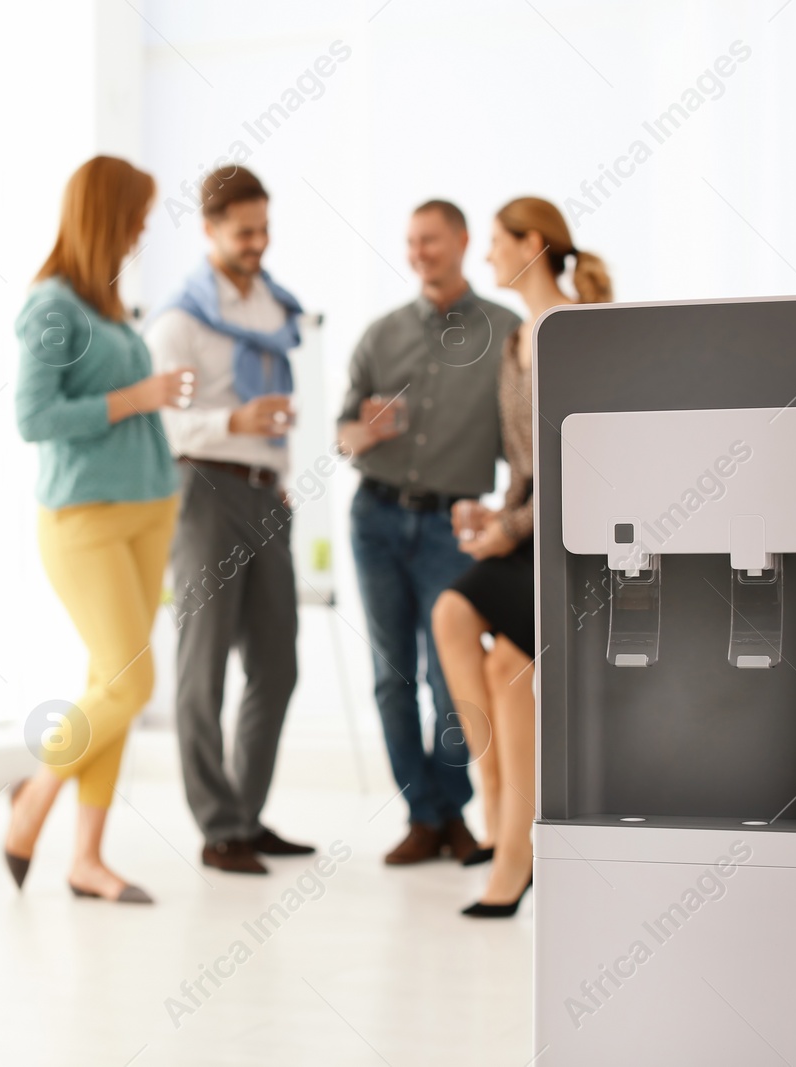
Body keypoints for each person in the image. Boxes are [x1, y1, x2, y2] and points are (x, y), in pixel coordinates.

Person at [6, 156, 192, 905]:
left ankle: (87, 858)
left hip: (148, 507)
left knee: (103, 683)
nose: (143, 231)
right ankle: (34, 798)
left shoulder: (108, 303)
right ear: (105, 215)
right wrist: (135, 396)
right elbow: (34, 417)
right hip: (83, 518)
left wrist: (148, 399)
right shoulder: (52, 305)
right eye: (136, 216)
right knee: (131, 683)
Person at [432, 196, 612, 917]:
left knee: (480, 636)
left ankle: (511, 843)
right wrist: (496, 515)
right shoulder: (515, 346)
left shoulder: (583, 331)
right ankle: (505, 806)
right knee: (478, 640)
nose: (487, 258)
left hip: (576, 534)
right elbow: (528, 465)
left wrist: (517, 527)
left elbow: (588, 463)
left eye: (498, 243)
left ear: (532, 243)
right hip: (530, 524)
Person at [337, 200, 522, 865]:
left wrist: (510, 519)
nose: (420, 252)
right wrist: (367, 430)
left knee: (450, 676)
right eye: (412, 242)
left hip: (453, 524)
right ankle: (426, 816)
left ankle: (456, 806)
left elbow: (523, 448)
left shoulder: (508, 334)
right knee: (392, 676)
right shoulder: (380, 335)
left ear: (463, 241)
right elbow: (343, 435)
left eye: (432, 240)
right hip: (377, 517)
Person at [147, 166, 315, 875]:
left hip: (263, 490)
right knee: (203, 665)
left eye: (264, 228)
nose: (258, 242)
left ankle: (245, 813)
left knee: (277, 663)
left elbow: (275, 401)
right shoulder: (180, 319)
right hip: (204, 490)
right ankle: (219, 829)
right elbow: (166, 424)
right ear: (209, 229)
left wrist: (276, 467)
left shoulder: (273, 310)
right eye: (244, 231)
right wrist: (232, 420)